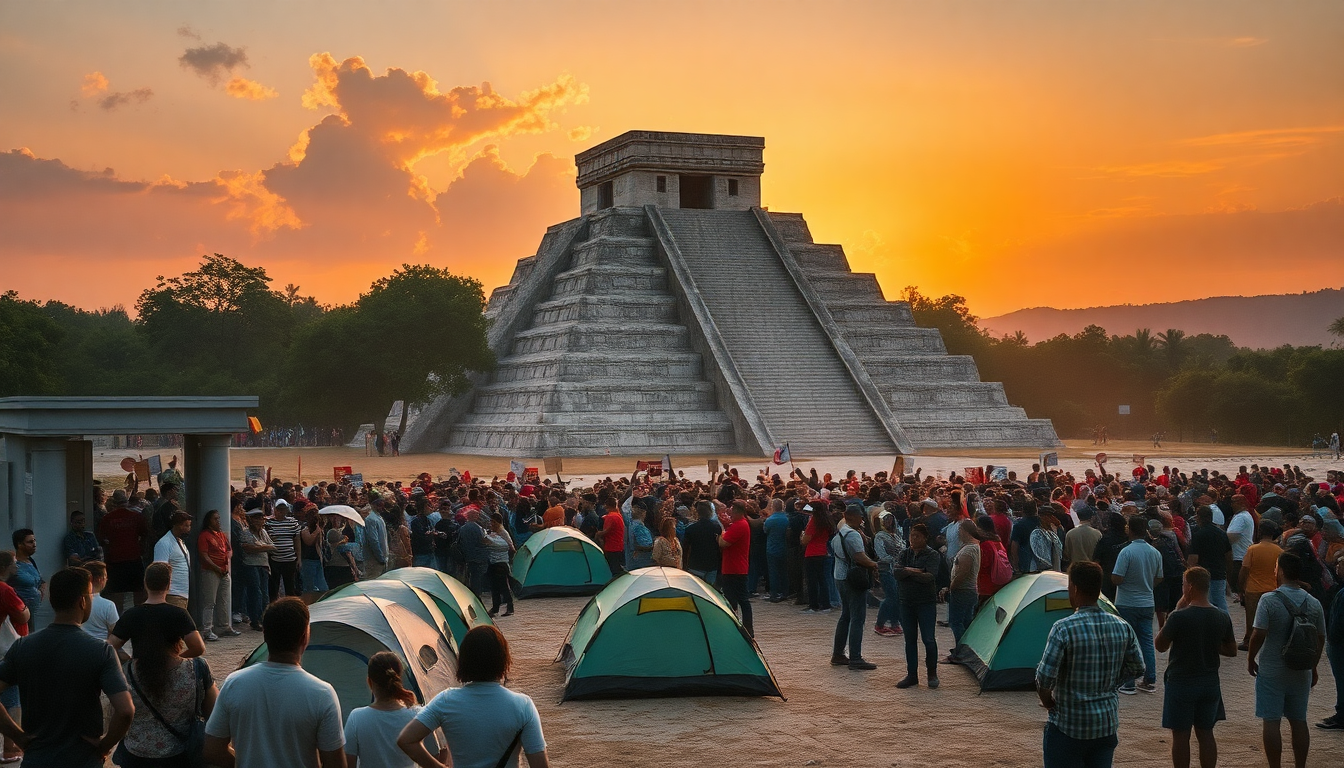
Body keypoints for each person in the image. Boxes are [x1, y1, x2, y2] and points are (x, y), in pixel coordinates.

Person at [0, 567, 134, 768]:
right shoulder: (101, 651)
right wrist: (104, 746)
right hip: (83, 760)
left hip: (38, 760)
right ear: (82, 601)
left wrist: (17, 736)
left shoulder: (22, 647)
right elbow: (125, 711)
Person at [204, 598, 345, 768]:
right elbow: (335, 764)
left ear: (265, 635)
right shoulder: (322, 693)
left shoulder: (235, 683)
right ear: (304, 638)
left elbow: (213, 750)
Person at [1036, 562, 1145, 768]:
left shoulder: (1063, 628)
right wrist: (1111, 683)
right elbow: (1138, 667)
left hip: (1068, 726)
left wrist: (1048, 701)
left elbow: (1045, 678)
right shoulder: (1122, 626)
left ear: (1075, 588)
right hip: (1105, 725)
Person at [397, 625, 548, 768]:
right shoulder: (523, 705)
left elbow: (406, 740)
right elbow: (539, 764)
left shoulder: (446, 701)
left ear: (463, 660)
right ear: (503, 660)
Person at [118, 590, 218, 768]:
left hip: (136, 756)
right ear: (178, 639)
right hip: (181, 755)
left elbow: (119, 715)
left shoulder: (127, 673)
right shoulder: (197, 668)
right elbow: (215, 715)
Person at [1247, 552, 1327, 768]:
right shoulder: (1313, 603)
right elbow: (1320, 638)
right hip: (1302, 670)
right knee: (1299, 720)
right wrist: (1313, 666)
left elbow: (1259, 633)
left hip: (1273, 667)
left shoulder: (1269, 600)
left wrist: (1250, 657)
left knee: (1271, 721)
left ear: (1280, 571)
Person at [1154, 567, 1237, 768]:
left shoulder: (1179, 617)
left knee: (1181, 735)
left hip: (1181, 682)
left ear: (1189, 587)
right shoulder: (1221, 616)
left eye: (1183, 584)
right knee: (1206, 732)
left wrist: (1176, 609)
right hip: (1209, 682)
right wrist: (1209, 643)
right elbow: (1232, 649)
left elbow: (1160, 645)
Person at [345, 652, 444, 768]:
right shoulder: (418, 715)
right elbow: (435, 756)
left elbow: (348, 763)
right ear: (399, 679)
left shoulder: (356, 718)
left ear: (369, 682)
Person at [109, 562, 206, 664]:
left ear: (145, 583)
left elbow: (111, 646)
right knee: (201, 663)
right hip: (169, 670)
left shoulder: (131, 614)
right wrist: (176, 660)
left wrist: (129, 664)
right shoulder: (179, 614)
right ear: (168, 585)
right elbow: (198, 647)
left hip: (142, 669)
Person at [1111, 514, 1163, 694]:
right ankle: (1149, 679)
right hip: (1147, 602)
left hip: (1127, 602)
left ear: (1129, 529)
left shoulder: (1126, 552)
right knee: (1146, 641)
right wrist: (1146, 584)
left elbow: (1117, 578)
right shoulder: (1154, 552)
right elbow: (1159, 577)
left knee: (1126, 643)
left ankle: (1128, 682)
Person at [830, 505, 879, 670]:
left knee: (846, 616)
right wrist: (875, 565)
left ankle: (838, 654)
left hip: (840, 576)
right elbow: (860, 557)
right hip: (853, 579)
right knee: (857, 619)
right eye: (860, 517)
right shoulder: (853, 535)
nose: (862, 520)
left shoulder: (840, 533)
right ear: (852, 517)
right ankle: (855, 658)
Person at [894, 523, 942, 689]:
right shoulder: (904, 553)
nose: (913, 539)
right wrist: (916, 571)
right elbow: (897, 572)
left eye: (917, 536)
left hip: (925, 602)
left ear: (924, 538)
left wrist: (908, 572)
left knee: (928, 639)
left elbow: (930, 576)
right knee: (910, 640)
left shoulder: (932, 554)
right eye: (911, 536)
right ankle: (912, 674)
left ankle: (932, 673)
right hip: (906, 601)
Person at [0, 552, 30, 763]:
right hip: (4, 651)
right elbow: (22, 614)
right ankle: (10, 747)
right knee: (12, 698)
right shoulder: (5, 589)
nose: (17, 567)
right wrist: (27, 608)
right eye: (13, 564)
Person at [99, 490, 150, 610]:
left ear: (113, 502)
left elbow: (101, 538)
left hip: (115, 560)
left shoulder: (107, 518)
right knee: (138, 591)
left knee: (117, 595)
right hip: (134, 558)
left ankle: (117, 621)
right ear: (126, 501)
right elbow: (145, 534)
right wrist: (141, 548)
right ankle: (138, 618)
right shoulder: (136, 517)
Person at [1238, 520, 1282, 651]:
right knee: (1270, 618)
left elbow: (1244, 570)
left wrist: (1241, 588)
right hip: (1272, 589)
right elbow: (1280, 573)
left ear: (1260, 532)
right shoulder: (1279, 550)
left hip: (1253, 589)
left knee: (1251, 617)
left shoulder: (1253, 549)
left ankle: (1248, 641)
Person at [941, 521, 982, 660]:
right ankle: (965, 649)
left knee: (956, 622)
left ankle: (961, 653)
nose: (958, 533)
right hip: (970, 591)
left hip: (962, 591)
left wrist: (950, 588)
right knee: (966, 622)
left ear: (965, 531)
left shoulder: (969, 550)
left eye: (959, 530)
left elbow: (962, 574)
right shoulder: (974, 547)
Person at [197, 509, 239, 640]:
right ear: (209, 521)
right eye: (215, 519)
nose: (218, 521)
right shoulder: (204, 535)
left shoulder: (221, 534)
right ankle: (207, 629)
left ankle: (224, 626)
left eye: (219, 518)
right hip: (211, 571)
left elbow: (229, 549)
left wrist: (227, 561)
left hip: (224, 571)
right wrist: (216, 567)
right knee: (210, 602)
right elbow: (204, 556)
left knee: (224, 599)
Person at [717, 501, 754, 637]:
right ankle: (743, 627)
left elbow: (724, 543)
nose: (729, 513)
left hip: (734, 568)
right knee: (738, 599)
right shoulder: (741, 524)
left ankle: (741, 627)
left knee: (738, 599)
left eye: (731, 511)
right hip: (736, 567)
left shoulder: (739, 525)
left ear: (737, 511)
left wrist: (721, 533)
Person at [1186, 506, 1232, 614]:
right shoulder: (1221, 534)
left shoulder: (1198, 535)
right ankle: (1225, 625)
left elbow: (1193, 558)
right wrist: (1228, 572)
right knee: (1221, 602)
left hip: (1203, 575)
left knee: (1206, 603)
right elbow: (1229, 555)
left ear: (1199, 518)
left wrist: (1188, 574)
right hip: (1219, 573)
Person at [237, 506, 276, 631]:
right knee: (256, 593)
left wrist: (261, 547)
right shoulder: (246, 532)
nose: (260, 521)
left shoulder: (263, 532)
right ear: (251, 520)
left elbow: (273, 547)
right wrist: (264, 547)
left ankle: (263, 618)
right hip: (251, 565)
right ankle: (255, 619)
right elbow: (247, 548)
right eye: (257, 518)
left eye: (261, 518)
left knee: (264, 593)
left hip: (264, 565)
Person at [151, 512, 193, 610]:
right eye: (186, 526)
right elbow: (160, 570)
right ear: (177, 525)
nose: (189, 529)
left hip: (182, 593)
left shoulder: (179, 541)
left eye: (189, 525)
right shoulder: (164, 543)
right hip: (172, 594)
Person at [873, 512, 905, 636]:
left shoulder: (896, 535)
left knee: (895, 598)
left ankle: (894, 623)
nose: (889, 522)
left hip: (897, 570)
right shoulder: (880, 536)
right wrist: (894, 561)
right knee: (891, 597)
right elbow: (882, 555)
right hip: (886, 569)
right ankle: (880, 623)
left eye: (891, 519)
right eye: (885, 520)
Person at [800, 503, 835, 613]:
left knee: (812, 580)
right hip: (822, 551)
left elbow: (806, 540)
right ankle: (826, 604)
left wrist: (801, 537)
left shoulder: (814, 521)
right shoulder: (827, 521)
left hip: (811, 552)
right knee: (822, 579)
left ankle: (813, 605)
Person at [265, 499, 302, 602]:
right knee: (273, 587)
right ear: (275, 510)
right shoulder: (269, 522)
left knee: (290, 586)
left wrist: (299, 558)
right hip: (274, 559)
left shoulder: (292, 522)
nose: (281, 512)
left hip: (289, 559)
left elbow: (297, 540)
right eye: (279, 510)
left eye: (283, 510)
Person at [8, 531, 42, 632]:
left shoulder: (30, 561)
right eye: (30, 542)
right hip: (19, 614)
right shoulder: (13, 565)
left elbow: (37, 579)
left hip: (34, 613)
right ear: (20, 544)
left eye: (34, 540)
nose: (34, 544)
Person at [483, 514, 515, 618]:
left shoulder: (503, 533)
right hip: (493, 562)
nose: (491, 524)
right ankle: (495, 608)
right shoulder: (493, 533)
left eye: (493, 522)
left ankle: (510, 607)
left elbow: (510, 546)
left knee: (503, 586)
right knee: (494, 587)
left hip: (501, 562)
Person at [683, 501, 721, 585]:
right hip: (712, 564)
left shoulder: (691, 529)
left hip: (696, 564)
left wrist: (684, 564)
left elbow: (686, 548)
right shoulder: (716, 527)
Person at [81, 561, 120, 642]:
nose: (107, 579)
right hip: (102, 649)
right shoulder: (108, 605)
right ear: (100, 580)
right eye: (105, 577)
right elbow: (115, 633)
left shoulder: (76, 602)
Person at [762, 499, 789, 601]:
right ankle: (785, 592)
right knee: (784, 571)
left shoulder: (770, 520)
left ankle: (774, 593)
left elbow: (765, 531)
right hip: (784, 547)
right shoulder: (787, 519)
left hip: (772, 548)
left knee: (773, 572)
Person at [360, 501, 389, 580]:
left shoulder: (378, 518)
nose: (382, 508)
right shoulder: (371, 520)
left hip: (381, 559)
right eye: (379, 506)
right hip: (374, 561)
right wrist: (380, 558)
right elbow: (373, 540)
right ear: (374, 506)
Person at [597, 498, 626, 577]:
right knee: (618, 566)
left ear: (606, 506)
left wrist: (598, 534)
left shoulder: (610, 517)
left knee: (614, 568)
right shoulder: (618, 515)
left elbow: (606, 531)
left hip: (611, 547)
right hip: (619, 545)